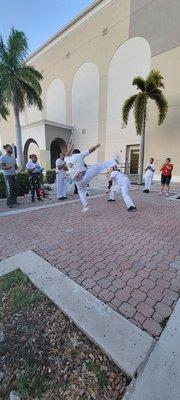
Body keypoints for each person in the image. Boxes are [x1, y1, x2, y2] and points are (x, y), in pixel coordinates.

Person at [64, 143, 118, 212]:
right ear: (78, 153)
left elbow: (66, 155)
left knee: (81, 192)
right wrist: (96, 146)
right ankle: (114, 161)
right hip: (85, 176)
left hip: (78, 182)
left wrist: (70, 149)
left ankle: (85, 205)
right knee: (98, 166)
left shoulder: (67, 159)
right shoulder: (79, 155)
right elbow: (91, 150)